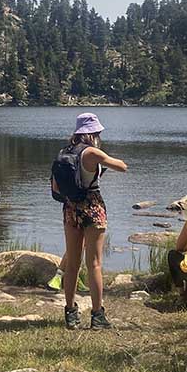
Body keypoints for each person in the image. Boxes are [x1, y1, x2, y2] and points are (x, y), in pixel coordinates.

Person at [53, 112, 128, 330]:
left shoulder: (63, 153)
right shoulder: (92, 152)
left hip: (70, 209)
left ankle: (70, 312)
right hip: (92, 207)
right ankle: (97, 315)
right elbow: (122, 167)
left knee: (73, 264)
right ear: (93, 133)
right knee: (94, 263)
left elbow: (57, 188)